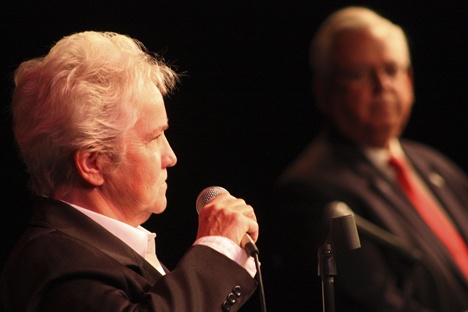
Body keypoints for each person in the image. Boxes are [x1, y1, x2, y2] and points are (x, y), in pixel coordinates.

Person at [0, 31, 259, 312]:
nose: (170, 157)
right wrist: (216, 249)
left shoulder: (101, 250)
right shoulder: (54, 264)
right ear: (92, 163)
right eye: (153, 137)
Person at [263, 6, 468, 312]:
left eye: (392, 70)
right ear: (325, 91)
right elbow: (374, 302)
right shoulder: (311, 190)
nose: (382, 85)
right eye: (360, 74)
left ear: (409, 81)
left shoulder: (436, 165)